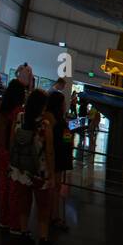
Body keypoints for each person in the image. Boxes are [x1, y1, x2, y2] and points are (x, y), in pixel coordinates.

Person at [8, 89, 58, 245]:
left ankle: (24, 233)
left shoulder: (20, 117)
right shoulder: (44, 125)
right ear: (41, 106)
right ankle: (43, 240)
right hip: (39, 172)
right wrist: (51, 174)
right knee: (43, 207)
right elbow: (49, 152)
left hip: (21, 169)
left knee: (24, 202)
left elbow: (11, 141)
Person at [0, 72, 30, 231]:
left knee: (3, 185)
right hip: (13, 153)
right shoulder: (19, 112)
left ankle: (3, 218)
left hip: (2, 150)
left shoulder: (3, 108)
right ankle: (13, 223)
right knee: (14, 188)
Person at [46, 90, 72, 232]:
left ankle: (48, 214)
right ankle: (54, 216)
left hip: (49, 157)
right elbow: (66, 140)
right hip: (58, 158)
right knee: (55, 187)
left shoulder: (47, 118)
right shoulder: (61, 123)